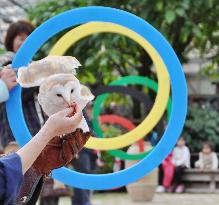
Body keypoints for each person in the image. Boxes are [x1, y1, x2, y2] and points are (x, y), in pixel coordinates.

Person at [0, 106, 83, 205]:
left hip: (34, 139)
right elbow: (4, 180)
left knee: (49, 189)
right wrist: (48, 131)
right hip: (15, 139)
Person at [72, 103, 97, 205]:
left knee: (83, 176)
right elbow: (84, 129)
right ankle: (85, 201)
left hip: (89, 151)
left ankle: (81, 201)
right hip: (82, 150)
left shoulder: (88, 114)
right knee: (83, 176)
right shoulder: (79, 111)